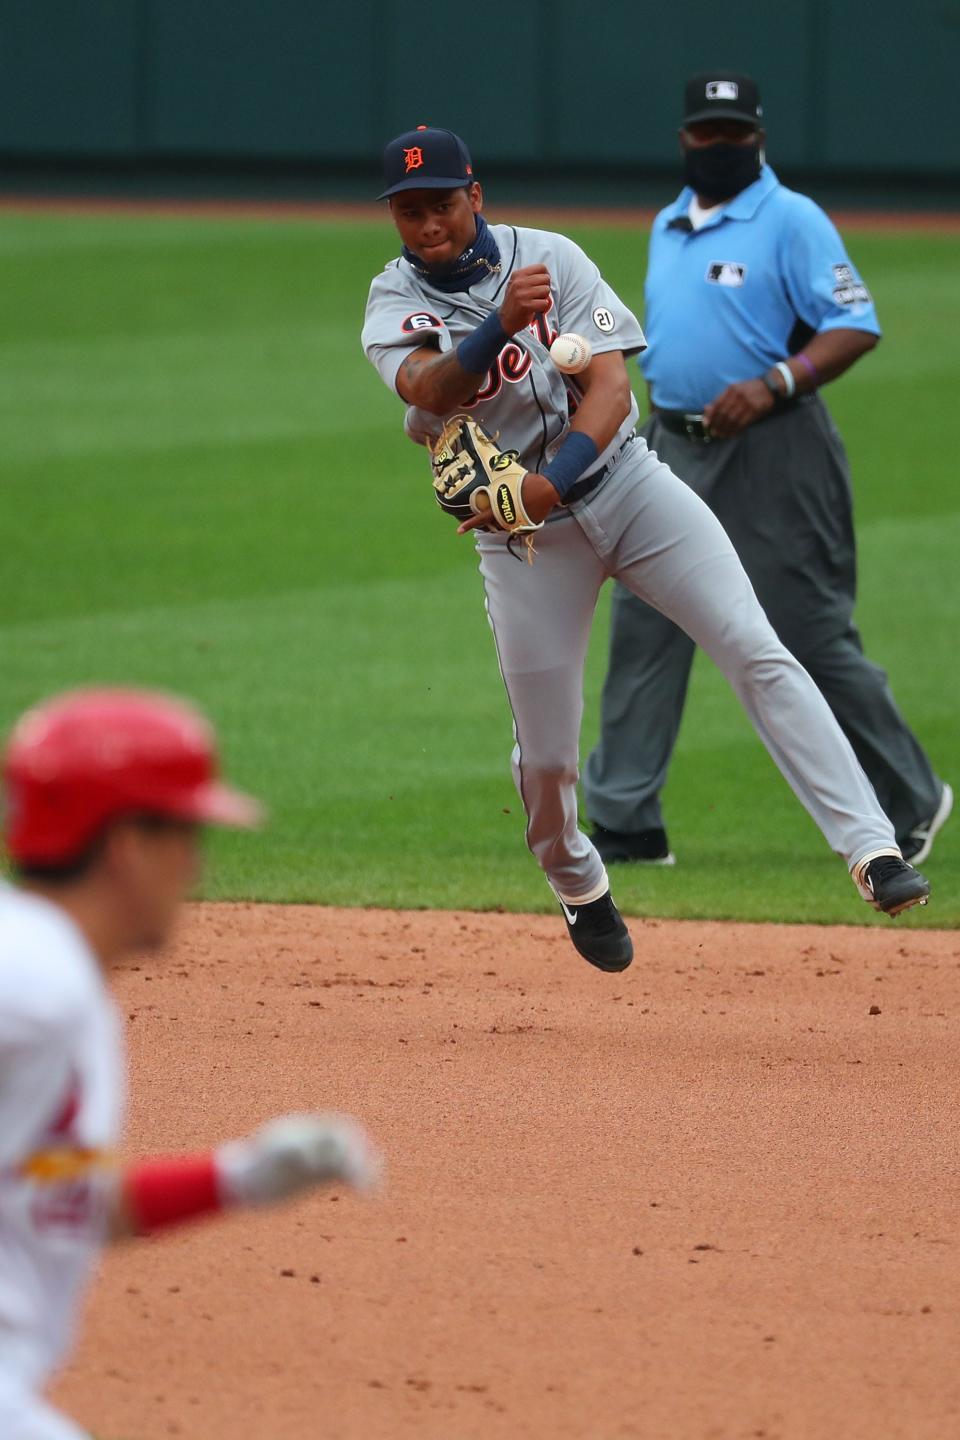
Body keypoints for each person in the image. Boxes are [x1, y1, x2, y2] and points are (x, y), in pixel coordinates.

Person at [361, 125, 931, 975]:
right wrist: (496, 332)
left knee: (752, 644)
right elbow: (425, 387)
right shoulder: (390, 297)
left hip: (630, 487)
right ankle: (576, 879)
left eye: (441, 203)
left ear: (474, 195)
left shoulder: (551, 256)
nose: (428, 223)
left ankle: (872, 849)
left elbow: (613, 388)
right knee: (548, 758)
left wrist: (547, 481)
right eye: (409, 210)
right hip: (528, 549)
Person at [583, 72, 951, 870]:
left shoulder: (792, 219)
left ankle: (911, 797)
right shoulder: (668, 223)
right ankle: (625, 819)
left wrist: (775, 380)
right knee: (646, 623)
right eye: (706, 134)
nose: (719, 147)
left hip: (777, 450)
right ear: (685, 138)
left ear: (758, 138)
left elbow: (855, 323)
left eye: (733, 134)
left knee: (807, 629)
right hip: (672, 446)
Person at [0, 688, 380, 1440]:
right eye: (188, 836)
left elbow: (58, 1201)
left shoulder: (60, 980)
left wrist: (238, 1178)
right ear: (127, 846)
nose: (198, 867)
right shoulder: (32, 979)